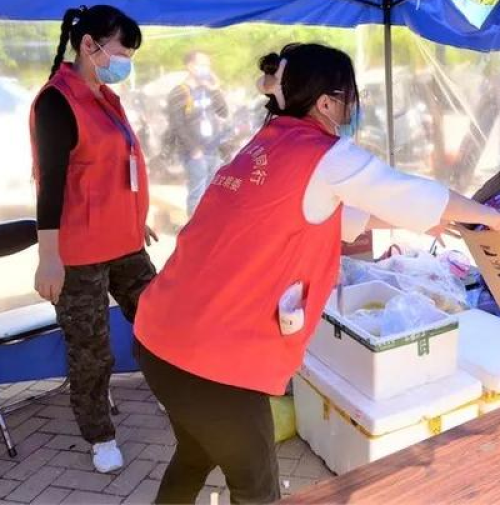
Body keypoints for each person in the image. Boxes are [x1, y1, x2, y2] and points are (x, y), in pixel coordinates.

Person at [134, 43, 500, 504]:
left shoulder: (268, 143)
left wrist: (426, 218)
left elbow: (328, 212)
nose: (353, 105)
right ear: (327, 102)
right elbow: (401, 190)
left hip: (160, 336)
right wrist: (492, 219)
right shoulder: (322, 152)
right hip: (211, 361)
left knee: (193, 455)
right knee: (256, 486)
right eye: (350, 94)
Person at [30, 5, 157, 474]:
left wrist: (133, 218)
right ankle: (100, 434)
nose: (126, 59)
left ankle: (173, 394)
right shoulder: (57, 101)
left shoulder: (105, 96)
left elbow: (110, 170)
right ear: (90, 45)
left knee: (158, 318)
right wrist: (49, 259)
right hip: (78, 253)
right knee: (91, 350)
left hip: (124, 242)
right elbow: (53, 183)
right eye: (123, 48)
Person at [167, 50, 228, 216]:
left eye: (208, 65)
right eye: (202, 64)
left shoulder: (208, 89)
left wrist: (215, 90)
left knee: (213, 192)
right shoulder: (179, 92)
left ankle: (208, 227)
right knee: (198, 192)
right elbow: (176, 124)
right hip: (194, 152)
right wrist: (194, 149)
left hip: (212, 149)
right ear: (190, 66)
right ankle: (194, 230)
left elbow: (223, 112)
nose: (206, 68)